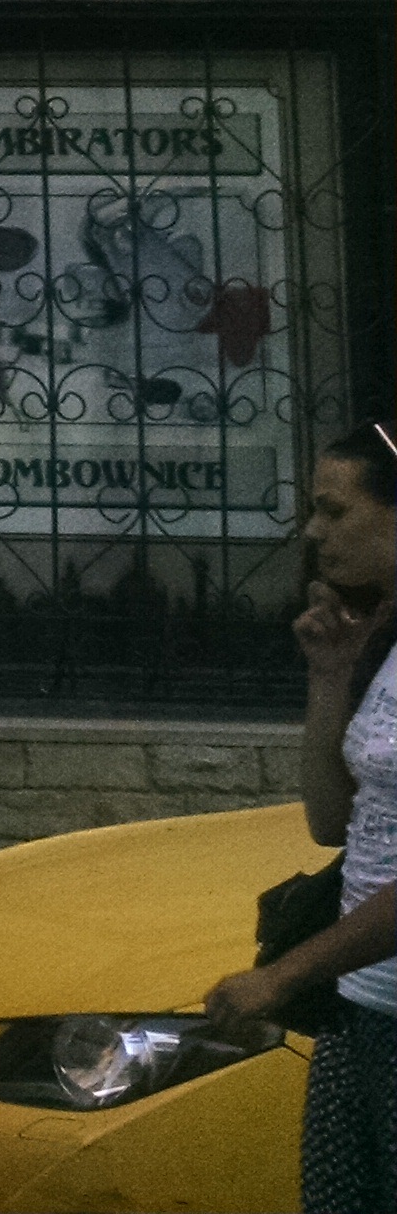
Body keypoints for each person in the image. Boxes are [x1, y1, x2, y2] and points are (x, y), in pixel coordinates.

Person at [209, 424, 397, 1210]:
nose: (314, 533)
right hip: (364, 1010)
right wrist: (331, 677)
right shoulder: (385, 644)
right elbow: (332, 823)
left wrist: (281, 975)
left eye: (334, 510)